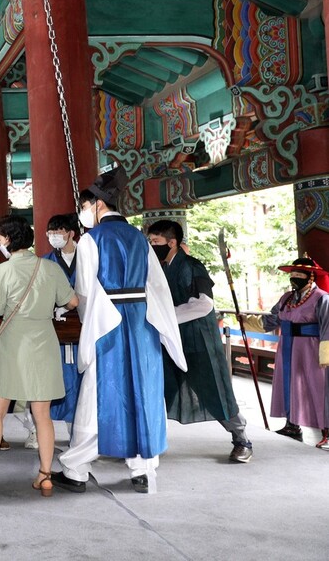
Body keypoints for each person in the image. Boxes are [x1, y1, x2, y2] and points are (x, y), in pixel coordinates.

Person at [52, 167, 185, 494]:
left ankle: (76, 469)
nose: (84, 213)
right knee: (144, 391)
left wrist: (84, 318)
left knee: (98, 395)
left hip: (108, 322)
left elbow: (84, 292)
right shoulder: (140, 238)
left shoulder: (91, 241)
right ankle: (143, 468)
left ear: (97, 205)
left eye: (85, 206)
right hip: (142, 324)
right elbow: (157, 286)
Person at [0, 216, 78, 498]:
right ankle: (45, 475)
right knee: (42, 415)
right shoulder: (51, 267)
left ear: (6, 240)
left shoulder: (0, 272)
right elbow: (72, 301)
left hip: (13, 342)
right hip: (43, 343)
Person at [147, 220, 253, 462]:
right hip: (170, 338)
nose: (152, 247)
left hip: (198, 338)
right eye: (150, 242)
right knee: (157, 390)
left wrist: (167, 317)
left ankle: (241, 438)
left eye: (156, 242)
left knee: (214, 389)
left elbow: (204, 304)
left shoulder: (192, 266)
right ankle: (147, 442)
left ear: (171, 243)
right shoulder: (160, 269)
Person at [262, 257, 329, 447]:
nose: (294, 278)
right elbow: (272, 319)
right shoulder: (286, 298)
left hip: (311, 348)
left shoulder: (322, 297)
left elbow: (328, 326)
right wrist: (247, 321)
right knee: (290, 384)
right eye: (293, 274)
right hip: (288, 346)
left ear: (310, 278)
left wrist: (326, 353)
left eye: (299, 274)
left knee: (319, 387)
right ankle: (292, 425)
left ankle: (327, 431)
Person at [43, 213, 83, 428]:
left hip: (84, 324)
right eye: (50, 233)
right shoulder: (46, 261)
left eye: (58, 232)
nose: (53, 237)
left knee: (83, 377)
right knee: (58, 376)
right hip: (56, 326)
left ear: (71, 233)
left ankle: (81, 431)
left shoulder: (88, 257)